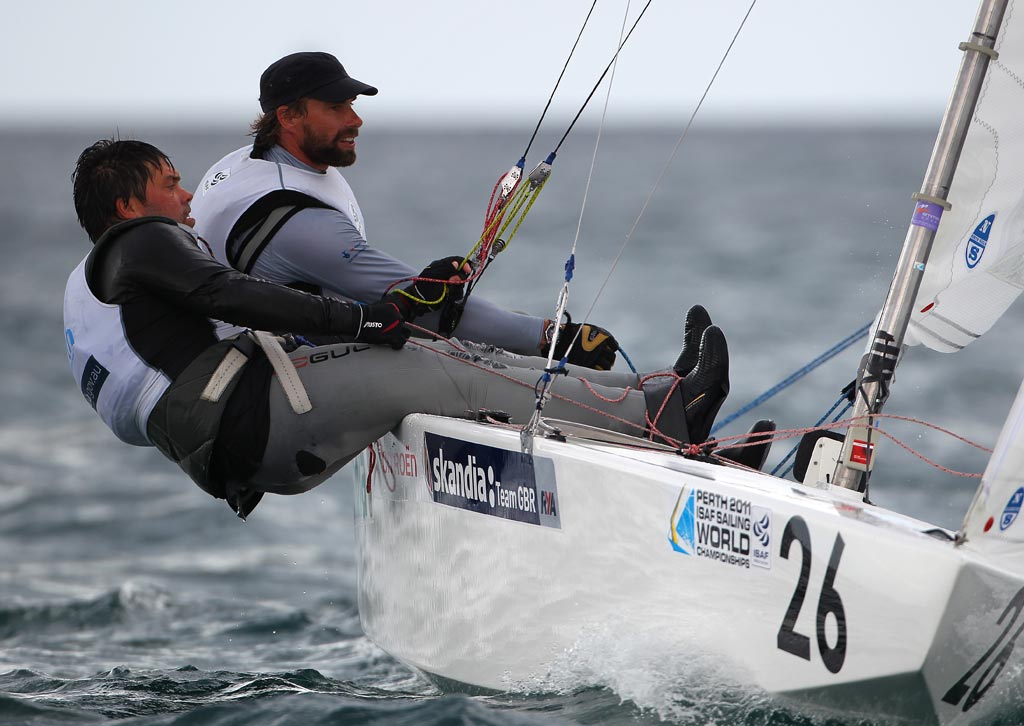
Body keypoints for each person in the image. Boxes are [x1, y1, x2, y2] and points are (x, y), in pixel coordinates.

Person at [64, 139, 731, 518]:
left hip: (238, 440)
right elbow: (232, 296)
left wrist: (391, 311)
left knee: (442, 351)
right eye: (171, 183)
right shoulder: (140, 243)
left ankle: (654, 407)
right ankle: (669, 413)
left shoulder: (92, 287)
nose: (185, 198)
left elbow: (140, 407)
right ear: (128, 204)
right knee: (442, 371)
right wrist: (355, 317)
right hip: (252, 423)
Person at [189, 51, 622, 372]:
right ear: (287, 116)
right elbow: (427, 309)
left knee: (483, 342)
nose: (355, 120)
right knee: (476, 359)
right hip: (255, 383)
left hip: (254, 354)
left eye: (353, 105)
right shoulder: (296, 221)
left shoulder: (250, 163)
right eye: (336, 108)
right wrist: (554, 338)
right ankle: (656, 406)